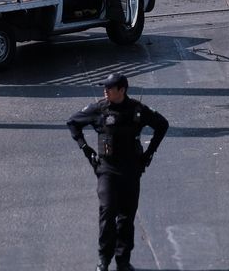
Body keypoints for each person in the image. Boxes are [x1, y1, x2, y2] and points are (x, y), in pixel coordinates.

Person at [67, 73, 169, 271]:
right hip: (107, 169)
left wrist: (148, 154)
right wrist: (86, 149)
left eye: (109, 88)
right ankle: (103, 261)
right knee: (107, 212)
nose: (105, 90)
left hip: (131, 169)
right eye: (104, 87)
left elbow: (162, 125)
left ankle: (123, 261)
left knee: (126, 218)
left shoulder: (137, 110)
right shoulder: (99, 109)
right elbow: (73, 123)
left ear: (122, 90)